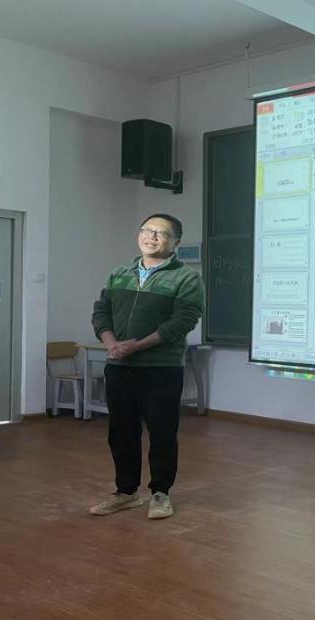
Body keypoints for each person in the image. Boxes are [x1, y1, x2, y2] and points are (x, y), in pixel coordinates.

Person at [89, 214, 204, 520]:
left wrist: (137, 346)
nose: (151, 237)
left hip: (160, 368)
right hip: (119, 365)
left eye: (160, 233)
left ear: (175, 242)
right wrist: (111, 343)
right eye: (146, 230)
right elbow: (101, 311)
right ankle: (126, 493)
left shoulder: (186, 278)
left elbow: (181, 322)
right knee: (121, 432)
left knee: (162, 433)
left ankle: (160, 493)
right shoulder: (120, 273)